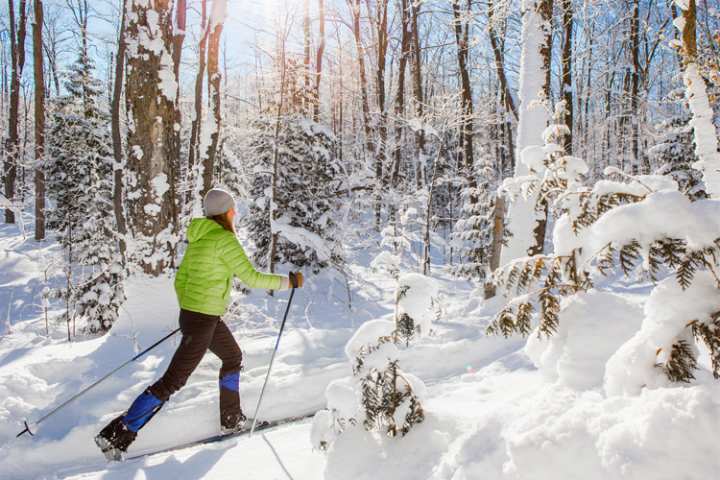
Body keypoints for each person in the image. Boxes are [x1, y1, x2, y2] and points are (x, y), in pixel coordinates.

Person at [95, 188, 303, 460]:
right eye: (233, 209)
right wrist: (290, 282)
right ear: (227, 212)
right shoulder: (224, 240)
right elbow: (251, 278)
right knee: (173, 381)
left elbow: (180, 281)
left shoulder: (199, 239)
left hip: (201, 316)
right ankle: (116, 434)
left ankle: (231, 419)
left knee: (232, 356)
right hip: (203, 319)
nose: (235, 213)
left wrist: (191, 311)